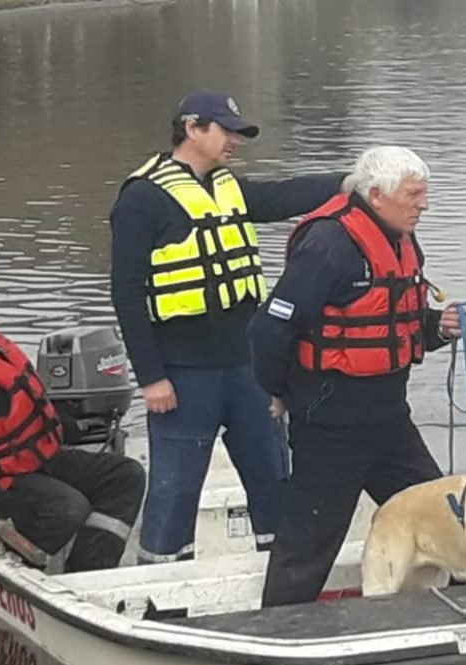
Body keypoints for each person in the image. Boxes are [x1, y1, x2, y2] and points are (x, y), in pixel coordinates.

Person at [109, 90, 348, 564]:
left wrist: (349, 181)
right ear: (192, 128)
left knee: (274, 479)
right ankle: (160, 596)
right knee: (175, 489)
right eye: (226, 130)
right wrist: (151, 376)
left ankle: (282, 581)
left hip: (248, 369)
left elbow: (281, 196)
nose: (234, 140)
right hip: (183, 372)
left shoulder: (226, 186)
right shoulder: (142, 199)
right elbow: (126, 293)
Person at [248, 145, 463, 606]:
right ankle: (280, 627)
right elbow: (270, 327)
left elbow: (389, 323)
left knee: (442, 516)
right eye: (413, 195)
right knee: (311, 538)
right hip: (331, 423)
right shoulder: (328, 246)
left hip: (388, 420)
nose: (422, 204)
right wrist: (280, 391)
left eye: (424, 194)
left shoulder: (402, 238)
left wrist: (435, 328)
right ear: (377, 195)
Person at [0, 283, 145, 571]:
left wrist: (69, 425)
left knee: (125, 475)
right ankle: (21, 571)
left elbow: (23, 407)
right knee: (67, 508)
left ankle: (88, 572)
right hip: (1, 478)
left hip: (43, 459)